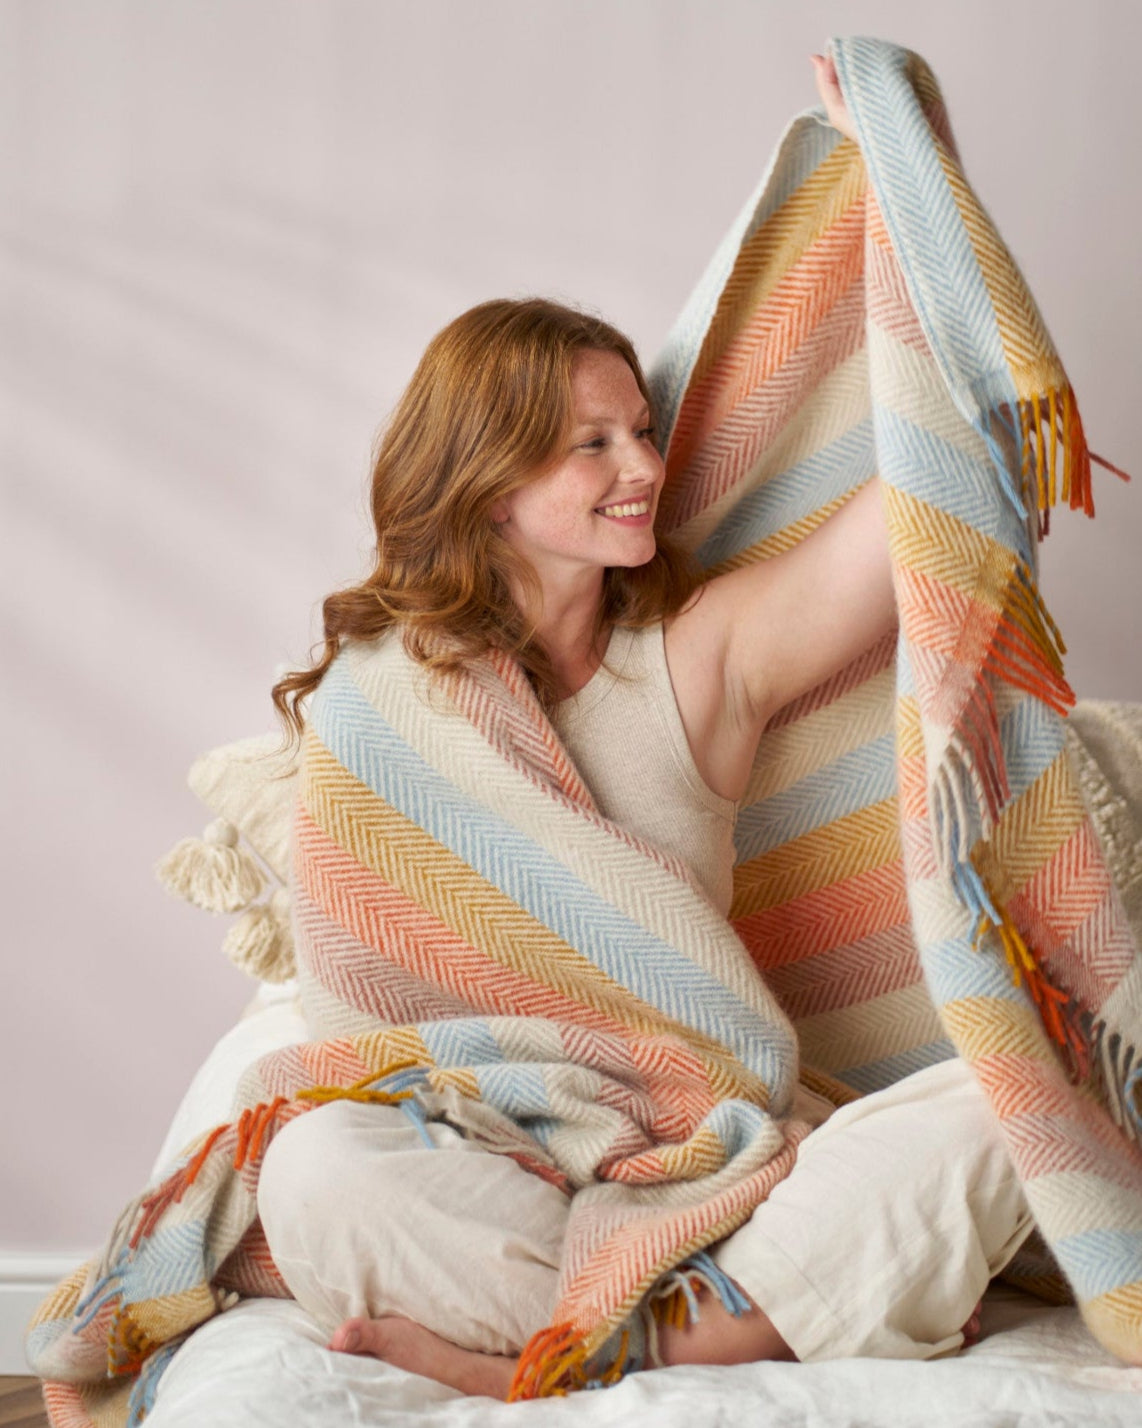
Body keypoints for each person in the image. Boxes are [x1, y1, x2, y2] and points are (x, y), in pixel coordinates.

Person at [257, 57, 1033, 1398]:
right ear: (489, 481)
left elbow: (959, 486)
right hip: (486, 1156)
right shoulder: (377, 709)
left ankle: (582, 1347)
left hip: (719, 1154)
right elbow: (363, 1030)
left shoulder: (698, 654)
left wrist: (891, 169)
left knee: (1010, 1094)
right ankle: (747, 1317)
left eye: (642, 431)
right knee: (314, 1169)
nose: (643, 473)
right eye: (590, 447)